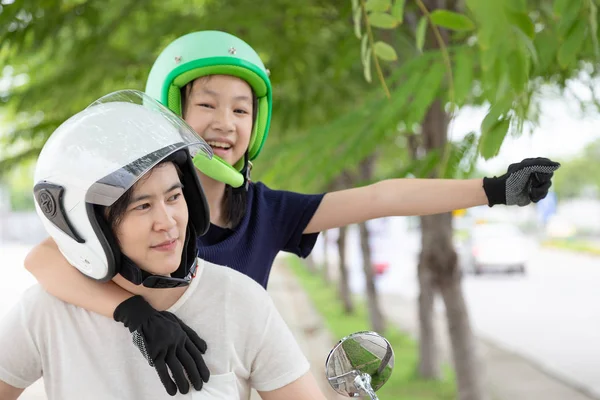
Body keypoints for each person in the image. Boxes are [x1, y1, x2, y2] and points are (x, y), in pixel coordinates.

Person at [23, 31, 560, 394]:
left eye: (241, 109)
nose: (224, 123)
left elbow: (381, 197)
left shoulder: (267, 213)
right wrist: (134, 312)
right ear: (170, 110)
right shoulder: (114, 215)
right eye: (206, 105)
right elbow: (43, 260)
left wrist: (491, 189)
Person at [0, 91, 327, 400]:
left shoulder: (238, 300)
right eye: (142, 206)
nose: (168, 221)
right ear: (92, 225)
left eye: (174, 197)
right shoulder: (47, 311)